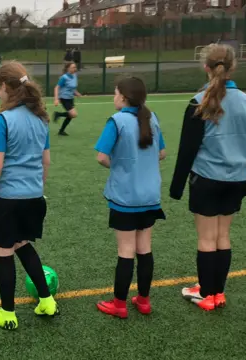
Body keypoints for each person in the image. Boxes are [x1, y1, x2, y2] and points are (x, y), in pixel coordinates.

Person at [169, 43, 246, 311]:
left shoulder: (199, 101)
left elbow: (187, 149)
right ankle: (217, 292)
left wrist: (176, 186)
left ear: (205, 67)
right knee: (223, 236)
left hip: (206, 179)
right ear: (233, 66)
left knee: (207, 239)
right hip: (237, 179)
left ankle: (207, 294)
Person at [0, 61, 59, 330]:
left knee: (4, 251)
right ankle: (47, 301)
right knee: (22, 244)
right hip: (34, 198)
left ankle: (7, 313)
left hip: (7, 201)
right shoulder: (41, 119)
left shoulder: (2, 120)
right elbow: (46, 163)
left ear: (3, 87)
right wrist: (37, 190)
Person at [95, 77, 166, 319]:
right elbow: (163, 153)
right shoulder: (152, 118)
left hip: (125, 197)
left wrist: (123, 167)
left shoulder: (117, 121)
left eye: (115, 93)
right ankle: (144, 300)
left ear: (124, 97)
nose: (113, 98)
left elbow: (102, 157)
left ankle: (119, 304)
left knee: (126, 250)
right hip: (150, 197)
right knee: (144, 248)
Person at [53, 62, 82, 136]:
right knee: (74, 114)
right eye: (73, 67)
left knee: (71, 115)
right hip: (64, 98)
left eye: (75, 67)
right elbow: (56, 88)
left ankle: (61, 131)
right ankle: (58, 114)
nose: (75, 69)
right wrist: (56, 99)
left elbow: (72, 88)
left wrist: (77, 93)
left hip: (70, 98)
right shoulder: (64, 77)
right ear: (68, 68)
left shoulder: (75, 75)